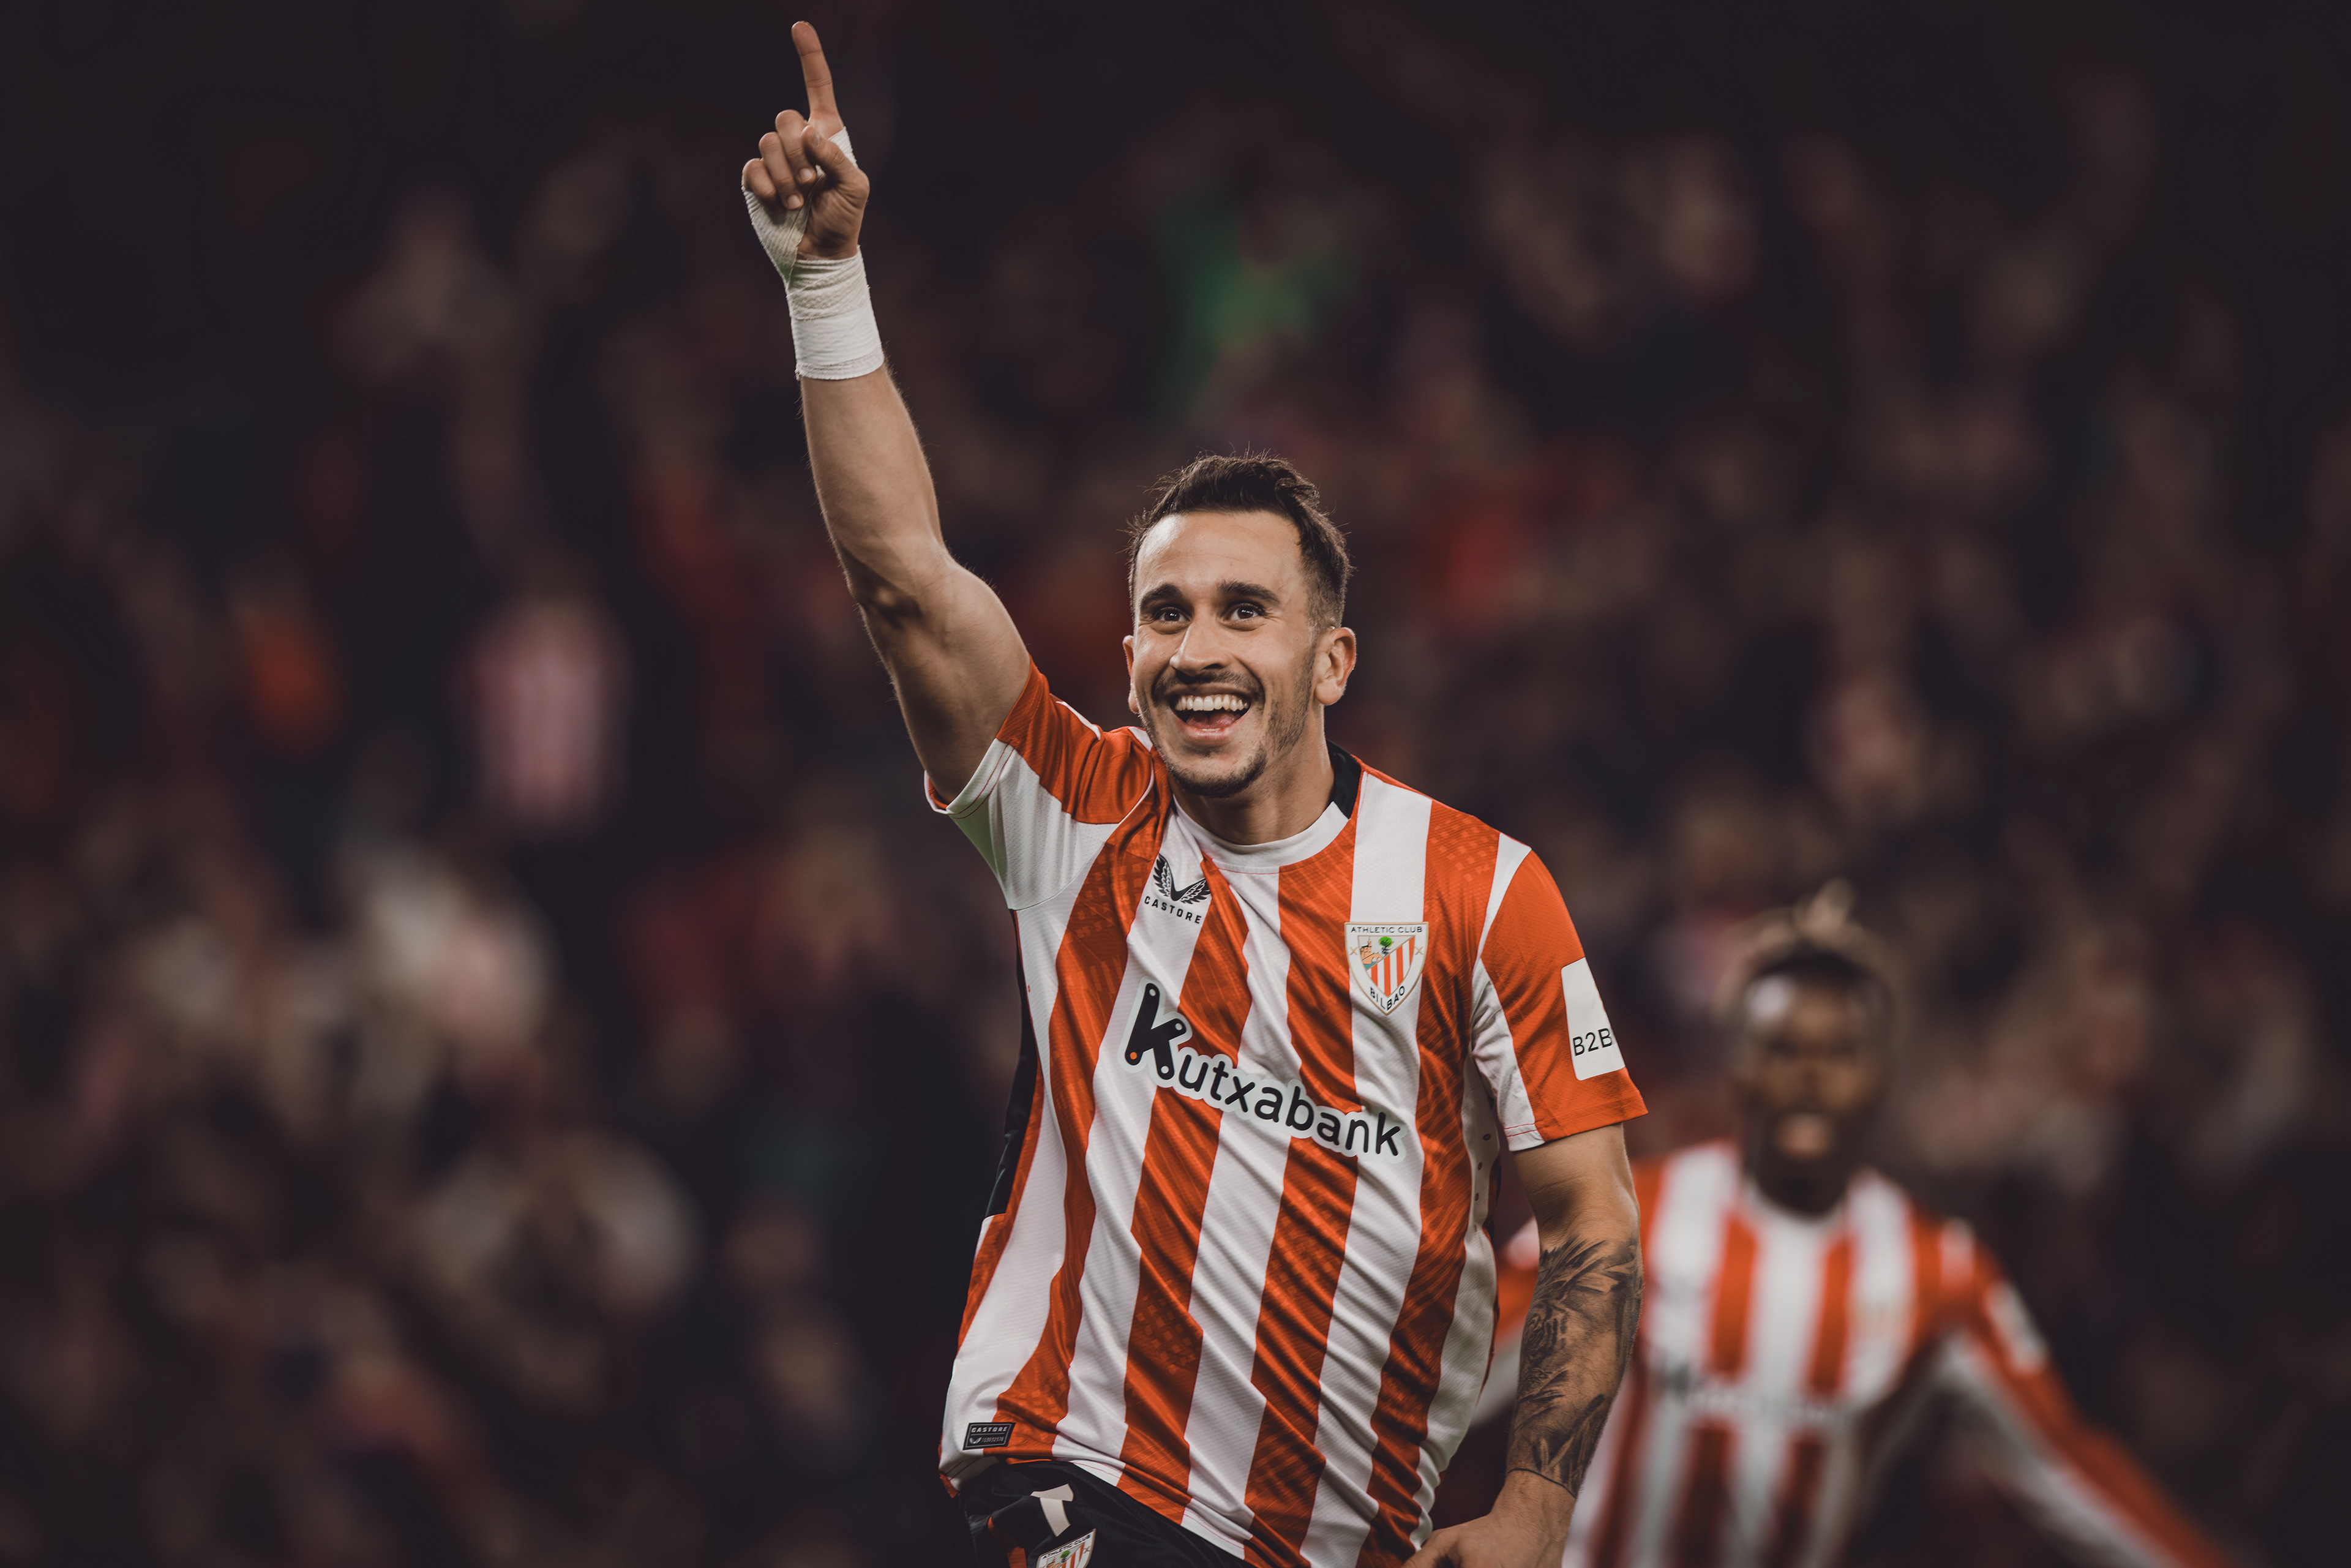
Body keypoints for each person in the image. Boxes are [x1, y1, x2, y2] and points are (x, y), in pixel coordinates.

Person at [740, 23, 1647, 1568]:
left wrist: (1539, 1500)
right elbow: (905, 581)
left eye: (1244, 609)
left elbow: (1591, 1220)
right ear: (1129, 654)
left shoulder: (1480, 890)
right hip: (1092, 1476)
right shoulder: (1078, 810)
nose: (1197, 647)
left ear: (1333, 658)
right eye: (1165, 613)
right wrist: (825, 283)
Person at [1482, 884, 2235, 1568]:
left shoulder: (1938, 1270)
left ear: (1882, 1073)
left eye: (1841, 1050)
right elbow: (1463, 1364)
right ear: (1736, 1065)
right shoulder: (1630, 1216)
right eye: (1783, 1047)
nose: (1811, 1073)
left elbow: (2068, 1467)